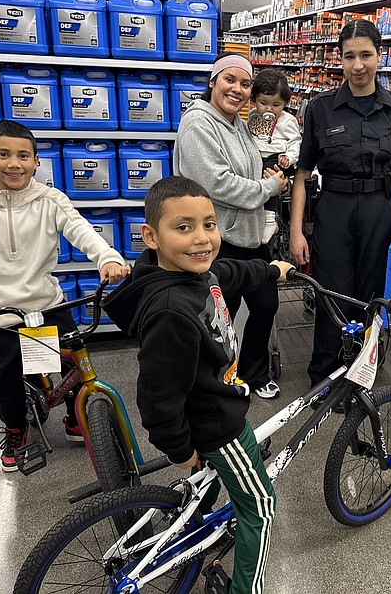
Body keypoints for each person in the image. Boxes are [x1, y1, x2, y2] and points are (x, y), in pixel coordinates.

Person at [103, 176, 293, 594]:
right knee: (261, 507)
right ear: (151, 236)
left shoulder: (196, 273)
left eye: (209, 224)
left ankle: (191, 522)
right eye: (183, 227)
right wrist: (179, 449)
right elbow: (156, 396)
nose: (202, 238)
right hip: (217, 424)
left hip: (204, 409)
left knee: (203, 490)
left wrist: (270, 270)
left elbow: (230, 272)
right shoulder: (172, 310)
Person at [0, 120, 130, 471]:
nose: (14, 163)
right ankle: (15, 427)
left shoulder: (50, 199)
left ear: (36, 161)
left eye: (23, 156)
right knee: (2, 377)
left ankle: (76, 417)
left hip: (45, 302)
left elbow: (79, 228)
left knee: (73, 362)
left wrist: (107, 257)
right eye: (3, 154)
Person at [289, 19, 391, 388]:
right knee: (331, 290)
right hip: (335, 207)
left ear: (380, 56)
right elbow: (302, 174)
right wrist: (296, 231)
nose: (358, 65)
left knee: (372, 292)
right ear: (340, 59)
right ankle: (324, 374)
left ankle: (364, 370)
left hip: (380, 208)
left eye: (365, 55)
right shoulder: (321, 109)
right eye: (349, 56)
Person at [175, 53, 288, 399]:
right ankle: (217, 380)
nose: (237, 89)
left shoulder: (237, 122)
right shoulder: (198, 124)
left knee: (265, 304)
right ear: (213, 82)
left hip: (251, 236)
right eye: (229, 80)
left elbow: (246, 169)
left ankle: (254, 373)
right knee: (223, 315)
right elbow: (217, 184)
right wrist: (268, 188)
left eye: (245, 83)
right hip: (219, 239)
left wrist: (268, 173)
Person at [249, 67, 302, 244]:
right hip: (256, 156)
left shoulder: (287, 121)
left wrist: (289, 157)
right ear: (254, 100)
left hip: (278, 159)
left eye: (276, 105)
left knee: (270, 178)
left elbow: (296, 142)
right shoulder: (253, 116)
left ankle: (270, 219)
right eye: (263, 103)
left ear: (285, 103)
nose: (269, 109)